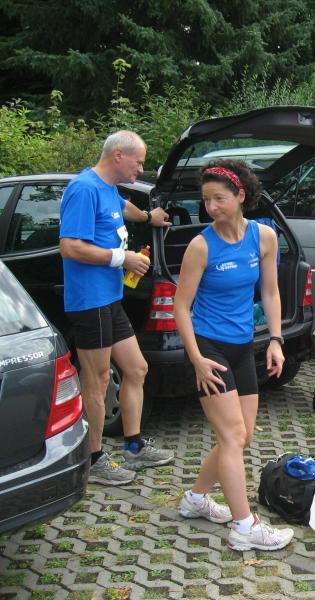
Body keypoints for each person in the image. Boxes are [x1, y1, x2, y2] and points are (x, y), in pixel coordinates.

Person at [173, 159, 294, 552]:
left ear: (241, 195)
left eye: (219, 199)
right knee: (231, 437)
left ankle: (196, 499)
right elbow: (180, 307)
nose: (211, 207)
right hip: (209, 349)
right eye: (206, 200)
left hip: (244, 347)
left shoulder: (263, 237)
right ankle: (244, 527)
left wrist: (275, 340)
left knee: (243, 436)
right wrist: (195, 358)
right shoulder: (201, 246)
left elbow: (270, 292)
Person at [59, 130, 174, 486]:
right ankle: (92, 459)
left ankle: (134, 447)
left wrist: (149, 217)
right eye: (138, 162)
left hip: (110, 299)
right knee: (97, 379)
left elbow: (123, 209)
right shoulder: (83, 189)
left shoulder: (107, 188)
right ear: (118, 155)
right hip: (89, 301)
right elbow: (70, 247)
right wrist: (121, 258)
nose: (141, 169)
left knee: (137, 369)